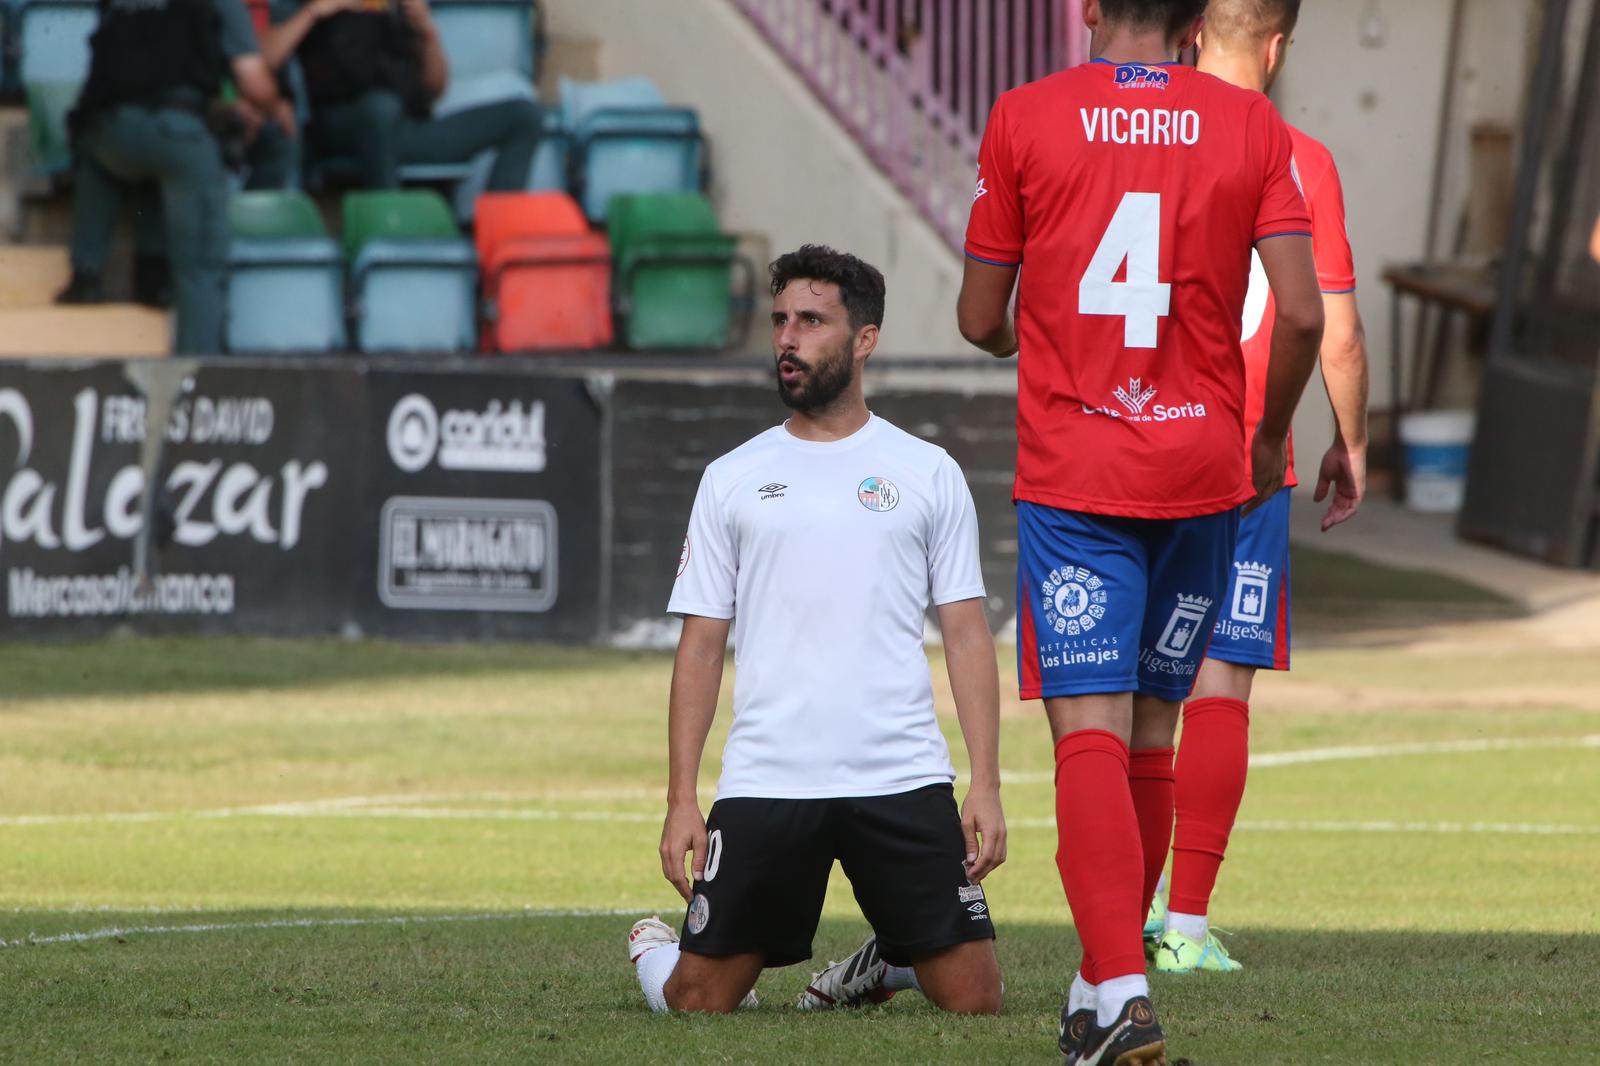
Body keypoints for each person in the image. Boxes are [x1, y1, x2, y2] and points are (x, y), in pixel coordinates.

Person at [957, 0, 1325, 1061]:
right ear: (1193, 19)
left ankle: (1121, 989)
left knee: (1088, 730)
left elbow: (979, 319)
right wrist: (1267, 438)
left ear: (1086, 7)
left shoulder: (1025, 116)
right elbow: (1302, 313)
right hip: (1205, 470)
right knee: (1156, 731)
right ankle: (1098, 979)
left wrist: (1029, 328)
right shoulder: (1252, 124)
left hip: (1079, 471)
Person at [626, 245, 1007, 1017]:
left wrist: (987, 784)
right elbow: (701, 647)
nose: (787, 339)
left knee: (975, 1002)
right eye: (779, 321)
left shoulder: (928, 471)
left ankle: (887, 959)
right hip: (771, 777)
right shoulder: (731, 478)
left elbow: (967, 636)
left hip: (901, 774)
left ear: (864, 339)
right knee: (697, 1002)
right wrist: (680, 798)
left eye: (810, 321)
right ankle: (653, 945)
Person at [1144, 0, 1371, 976]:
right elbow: (1333, 330)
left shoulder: (1134, 137)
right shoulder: (1298, 157)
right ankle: (1185, 929)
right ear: (1276, 46)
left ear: (1194, 30)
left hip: (1136, 442)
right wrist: (1349, 440)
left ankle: (1118, 917)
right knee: (1220, 682)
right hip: (1243, 456)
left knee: (1135, 691)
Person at [57, 0, 286, 352]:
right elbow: (252, 79)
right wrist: (278, 107)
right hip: (179, 134)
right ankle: (198, 369)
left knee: (99, 142)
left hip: (110, 135)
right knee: (201, 270)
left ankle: (86, 274)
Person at [263, 0, 539, 191]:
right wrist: (314, 11)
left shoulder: (397, 9)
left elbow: (435, 89)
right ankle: (389, 232)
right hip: (339, 125)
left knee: (523, 115)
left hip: (405, 127)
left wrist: (426, 31)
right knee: (380, 108)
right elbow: (264, 59)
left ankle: (499, 234)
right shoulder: (305, 6)